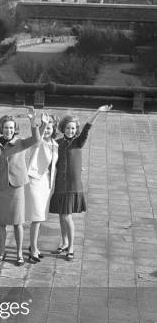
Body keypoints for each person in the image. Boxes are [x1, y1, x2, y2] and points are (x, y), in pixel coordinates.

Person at [49, 105, 111, 261]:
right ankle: (63, 243)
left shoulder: (78, 142)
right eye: (68, 128)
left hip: (72, 185)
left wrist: (97, 112)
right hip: (59, 183)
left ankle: (71, 247)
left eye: (73, 128)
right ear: (63, 128)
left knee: (67, 216)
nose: (71, 130)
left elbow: (87, 127)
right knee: (61, 216)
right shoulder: (56, 143)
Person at [0, 108, 43, 266]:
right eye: (6, 127)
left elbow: (36, 139)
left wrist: (33, 122)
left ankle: (19, 253)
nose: (8, 130)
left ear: (15, 130)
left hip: (17, 187)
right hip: (1, 186)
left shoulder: (20, 143)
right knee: (1, 222)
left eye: (11, 128)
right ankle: (2, 251)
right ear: (2, 128)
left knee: (17, 223)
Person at [25, 114, 59, 263]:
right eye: (45, 128)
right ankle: (32, 249)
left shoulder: (55, 144)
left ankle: (35, 246)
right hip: (34, 180)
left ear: (54, 129)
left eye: (49, 128)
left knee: (39, 218)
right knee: (36, 218)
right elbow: (37, 137)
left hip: (46, 183)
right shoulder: (37, 141)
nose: (47, 131)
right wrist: (40, 124)